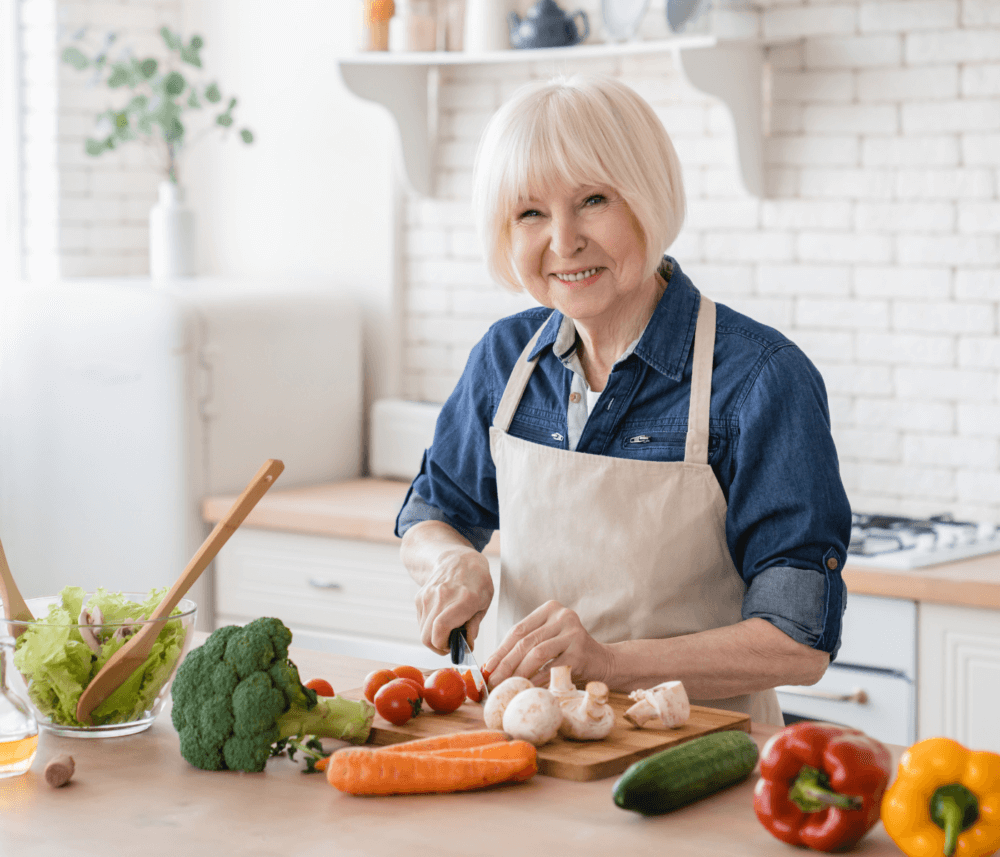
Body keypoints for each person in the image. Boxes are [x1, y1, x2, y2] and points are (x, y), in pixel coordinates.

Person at [395, 74, 851, 726]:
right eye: (530, 213)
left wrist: (607, 662)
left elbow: (797, 641)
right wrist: (454, 561)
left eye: (593, 200)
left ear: (647, 198)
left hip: (698, 774)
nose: (563, 240)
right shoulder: (506, 360)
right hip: (532, 757)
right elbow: (430, 512)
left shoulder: (758, 380)